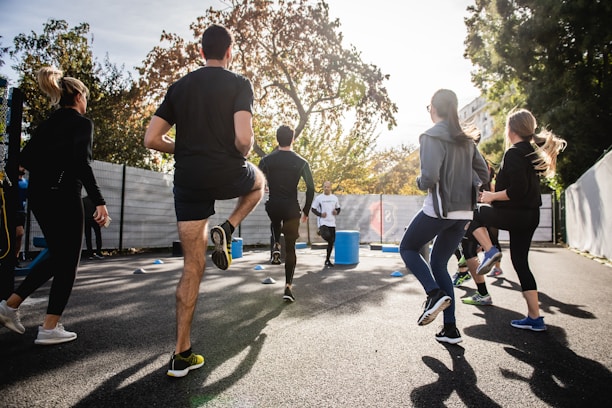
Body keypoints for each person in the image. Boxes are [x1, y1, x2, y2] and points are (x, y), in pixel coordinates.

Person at [143, 24, 265, 378]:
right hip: (227, 172)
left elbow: (152, 138)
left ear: (201, 53)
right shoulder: (239, 84)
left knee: (191, 267)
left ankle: (181, 354)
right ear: (230, 53)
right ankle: (228, 226)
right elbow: (243, 139)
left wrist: (182, 147)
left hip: (190, 180)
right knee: (258, 183)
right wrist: (242, 150)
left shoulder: (179, 88)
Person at [0, 66, 109, 345]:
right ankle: (49, 327)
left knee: (58, 255)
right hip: (64, 196)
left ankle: (10, 305)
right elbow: (81, 164)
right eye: (86, 97)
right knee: (68, 261)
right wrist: (99, 202)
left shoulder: (48, 124)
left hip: (40, 197)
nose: (87, 103)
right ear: (79, 97)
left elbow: (24, 159)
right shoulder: (82, 123)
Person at [398, 89, 489, 344]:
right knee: (438, 263)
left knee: (407, 247)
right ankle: (450, 329)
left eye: (429, 107)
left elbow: (428, 178)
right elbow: (484, 175)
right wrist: (468, 189)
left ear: (434, 109)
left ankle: (433, 293)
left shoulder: (430, 135)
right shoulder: (467, 140)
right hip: (463, 213)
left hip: (440, 209)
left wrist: (418, 181)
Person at [467, 108, 566, 331]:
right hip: (530, 216)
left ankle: (490, 250)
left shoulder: (514, 153)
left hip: (516, 214)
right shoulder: (530, 152)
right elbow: (521, 189)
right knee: (521, 263)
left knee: (471, 213)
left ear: (510, 129)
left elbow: (518, 190)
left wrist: (492, 196)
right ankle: (535, 317)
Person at [258, 125, 315, 302]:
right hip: (292, 208)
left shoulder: (267, 160)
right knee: (290, 249)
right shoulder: (302, 162)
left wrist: (265, 186)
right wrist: (306, 211)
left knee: (275, 220)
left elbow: (257, 180)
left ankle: (275, 243)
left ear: (277, 139)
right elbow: (311, 188)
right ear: (293, 139)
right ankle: (288, 288)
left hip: (273, 205)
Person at [311, 181, 341, 267]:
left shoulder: (334, 198)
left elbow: (338, 208)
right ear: (323, 188)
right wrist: (320, 214)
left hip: (332, 222)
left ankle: (327, 260)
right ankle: (321, 231)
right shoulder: (319, 198)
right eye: (325, 187)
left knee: (331, 242)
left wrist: (336, 212)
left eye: (328, 187)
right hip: (323, 222)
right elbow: (313, 209)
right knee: (328, 237)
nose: (326, 188)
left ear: (330, 187)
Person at [82, 195, 104, 259]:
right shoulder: (96, 200)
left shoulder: (83, 200)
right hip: (95, 220)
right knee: (98, 235)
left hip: (86, 220)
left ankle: (90, 254)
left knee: (88, 237)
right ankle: (98, 252)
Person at [15, 166, 28, 266]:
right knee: (18, 233)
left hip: (21, 212)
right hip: (12, 211)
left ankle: (15, 258)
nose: (23, 168)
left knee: (19, 236)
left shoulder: (25, 182)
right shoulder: (10, 181)